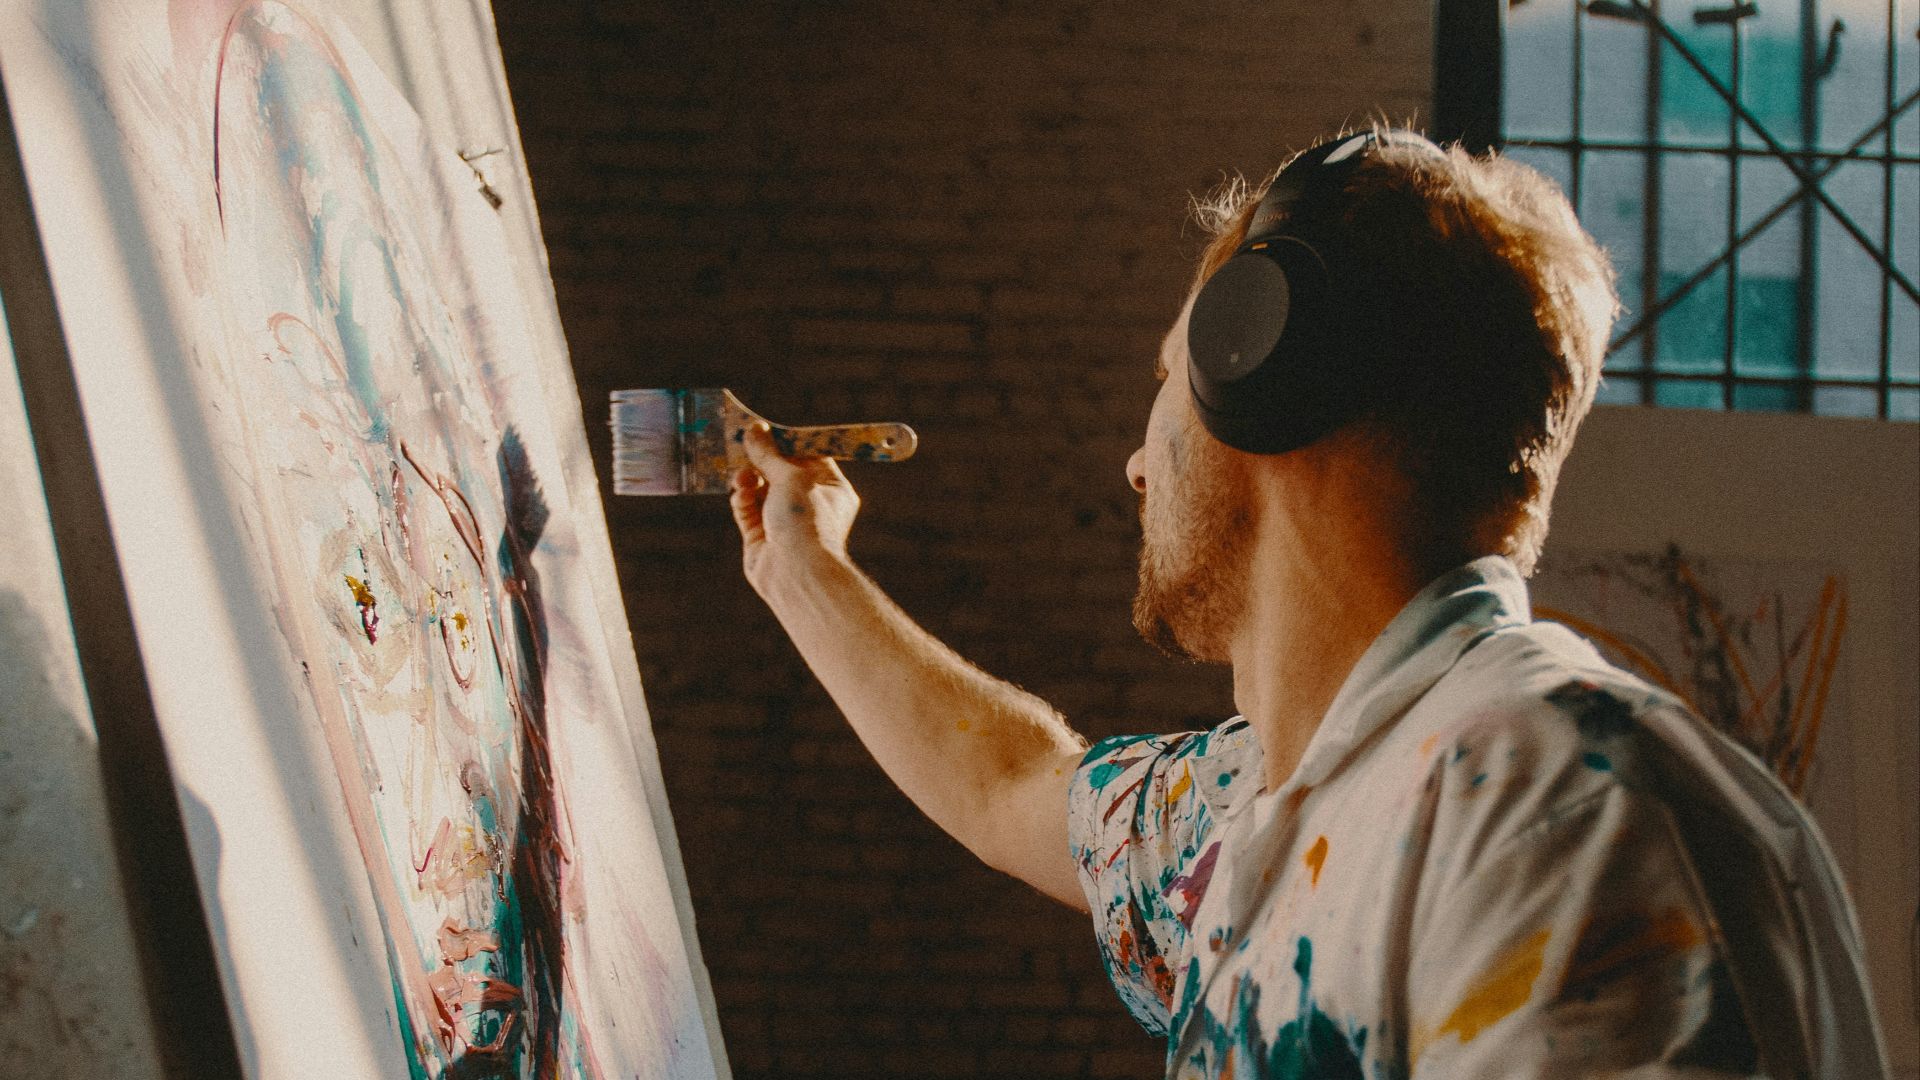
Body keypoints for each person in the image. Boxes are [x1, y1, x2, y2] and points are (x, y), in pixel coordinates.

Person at [723, 126, 1890, 1078]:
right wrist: (802, 564)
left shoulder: (1557, 807)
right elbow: (1009, 783)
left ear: (1258, 372)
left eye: (1167, 383)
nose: (1138, 464)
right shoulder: (1260, 803)